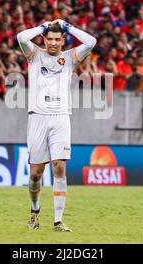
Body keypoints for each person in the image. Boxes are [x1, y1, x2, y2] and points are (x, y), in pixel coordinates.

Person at [17, 19, 96, 232]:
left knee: (59, 167)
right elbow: (21, 37)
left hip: (61, 116)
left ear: (63, 41)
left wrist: (69, 27)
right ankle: (34, 212)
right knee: (36, 174)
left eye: (57, 39)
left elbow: (91, 41)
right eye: (49, 39)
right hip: (37, 117)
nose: (53, 43)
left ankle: (58, 221)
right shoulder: (34, 55)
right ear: (44, 39)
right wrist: (42, 26)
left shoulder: (69, 58)